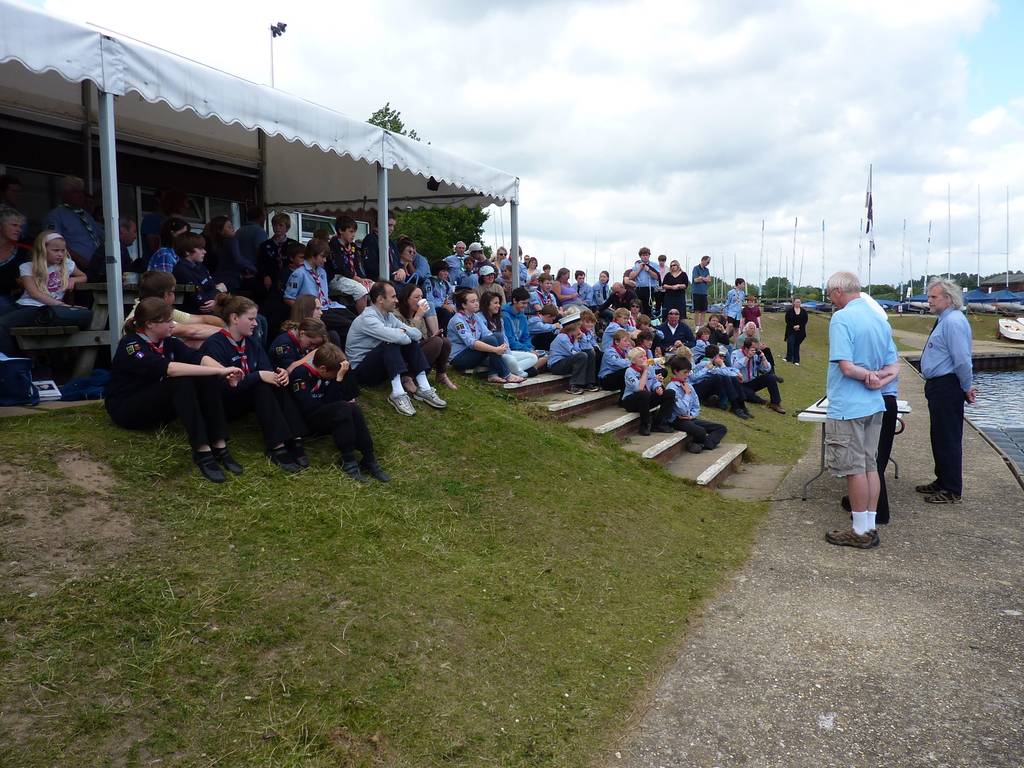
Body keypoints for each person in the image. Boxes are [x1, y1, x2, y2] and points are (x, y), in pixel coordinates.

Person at [105, 297, 244, 483]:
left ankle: (219, 445)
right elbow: (170, 369)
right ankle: (202, 450)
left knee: (205, 376)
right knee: (180, 380)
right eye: (168, 321)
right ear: (150, 324)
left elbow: (198, 358)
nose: (173, 325)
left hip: (156, 405)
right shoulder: (132, 345)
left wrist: (225, 372)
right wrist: (220, 370)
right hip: (127, 409)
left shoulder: (168, 342)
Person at [823, 271, 899, 549]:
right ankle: (869, 525)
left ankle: (858, 529)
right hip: (875, 404)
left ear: (838, 291)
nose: (831, 299)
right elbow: (894, 367)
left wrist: (865, 375)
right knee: (870, 466)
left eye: (830, 294)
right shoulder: (879, 319)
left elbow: (845, 366)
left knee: (854, 468)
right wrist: (878, 378)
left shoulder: (842, 318)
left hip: (849, 405)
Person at [200, 294, 307, 473]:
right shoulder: (214, 345)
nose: (256, 323)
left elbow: (265, 369)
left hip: (246, 395)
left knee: (275, 383)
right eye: (250, 319)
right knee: (260, 385)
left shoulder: (251, 342)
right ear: (234, 318)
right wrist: (257, 376)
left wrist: (278, 374)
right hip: (225, 403)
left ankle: (295, 439)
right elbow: (226, 387)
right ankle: (277, 446)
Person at [288, 343, 390, 483]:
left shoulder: (327, 374)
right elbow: (308, 406)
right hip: (307, 420)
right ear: (323, 368)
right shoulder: (301, 373)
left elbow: (336, 400)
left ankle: (368, 456)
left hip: (325, 413)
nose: (335, 377)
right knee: (342, 407)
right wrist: (338, 381)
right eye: (334, 374)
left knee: (352, 407)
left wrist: (338, 381)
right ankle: (348, 460)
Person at [345, 281, 447, 415]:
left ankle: (424, 387)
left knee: (408, 342)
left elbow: (416, 335)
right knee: (390, 342)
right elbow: (398, 338)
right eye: (393, 297)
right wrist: (402, 334)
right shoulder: (368, 318)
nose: (397, 300)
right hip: (362, 372)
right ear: (380, 299)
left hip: (381, 367)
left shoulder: (389, 316)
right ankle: (397, 393)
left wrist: (402, 332)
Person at [916, 277, 975, 504]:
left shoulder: (953, 322)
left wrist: (966, 386)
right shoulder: (945, 319)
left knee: (948, 437)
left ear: (949, 299)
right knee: (939, 436)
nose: (929, 301)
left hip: (947, 385)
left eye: (933, 297)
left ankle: (951, 488)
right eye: (929, 296)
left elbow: (962, 360)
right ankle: (942, 480)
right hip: (939, 386)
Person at [0, 232, 91, 355]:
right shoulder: (27, 267)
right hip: (27, 305)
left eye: (63, 250)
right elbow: (34, 293)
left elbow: (83, 276)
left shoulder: (67, 264)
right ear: (42, 250)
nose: (60, 254)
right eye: (55, 250)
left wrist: (74, 280)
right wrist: (61, 305)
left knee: (2, 325)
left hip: (43, 309)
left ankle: (12, 363)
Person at [123, 270, 225, 345]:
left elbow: (203, 319)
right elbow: (192, 331)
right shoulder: (148, 314)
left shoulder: (158, 309)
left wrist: (226, 326)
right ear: (167, 295)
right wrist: (230, 333)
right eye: (173, 291)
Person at [284, 239, 356, 342]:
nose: (325, 260)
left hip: (328, 306)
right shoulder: (299, 273)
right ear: (313, 255)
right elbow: (288, 298)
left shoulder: (322, 272)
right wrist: (306, 308)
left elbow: (324, 294)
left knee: (356, 320)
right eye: (322, 257)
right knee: (348, 325)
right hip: (314, 311)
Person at [447, 288, 521, 384]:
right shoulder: (458, 320)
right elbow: (471, 343)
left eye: (477, 300)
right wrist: (495, 349)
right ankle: (506, 374)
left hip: (473, 353)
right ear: (464, 305)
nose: (477, 303)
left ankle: (493, 374)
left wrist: (501, 345)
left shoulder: (475, 317)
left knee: (497, 336)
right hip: (459, 358)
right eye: (472, 301)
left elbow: (488, 334)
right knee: (492, 341)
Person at [395, 282, 457, 391]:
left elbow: (422, 338)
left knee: (444, 341)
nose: (420, 300)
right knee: (437, 342)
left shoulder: (418, 314)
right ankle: (408, 376)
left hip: (416, 352)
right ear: (406, 299)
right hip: (404, 355)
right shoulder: (396, 315)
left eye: (421, 297)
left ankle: (441, 374)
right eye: (416, 297)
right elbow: (405, 336)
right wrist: (418, 316)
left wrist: (432, 337)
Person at [665, 356, 727, 453]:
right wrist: (686, 394)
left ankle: (702, 444)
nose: (687, 375)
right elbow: (681, 410)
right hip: (678, 420)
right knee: (700, 431)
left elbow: (696, 406)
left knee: (721, 428)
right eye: (684, 372)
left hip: (689, 418)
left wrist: (691, 416)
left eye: (688, 372)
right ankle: (700, 443)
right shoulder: (672, 388)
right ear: (676, 371)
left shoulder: (689, 386)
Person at [44, 176, 104, 274]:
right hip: (74, 268)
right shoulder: (55, 215)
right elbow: (52, 243)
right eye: (76, 191)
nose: (81, 195)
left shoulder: (85, 215)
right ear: (64, 194)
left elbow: (102, 236)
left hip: (97, 267)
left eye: (81, 192)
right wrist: (79, 259)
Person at [480, 291, 537, 379]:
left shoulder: (498, 318)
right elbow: (485, 337)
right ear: (487, 304)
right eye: (495, 303)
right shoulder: (480, 317)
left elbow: (505, 338)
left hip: (504, 351)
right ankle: (522, 373)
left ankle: (514, 371)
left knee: (533, 357)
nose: (499, 306)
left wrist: (527, 349)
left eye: (499, 303)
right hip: (491, 353)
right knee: (511, 360)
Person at [620, 347, 676, 436]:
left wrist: (658, 387)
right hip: (631, 401)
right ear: (634, 361)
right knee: (643, 394)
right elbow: (639, 388)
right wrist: (645, 370)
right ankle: (645, 424)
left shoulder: (650, 368)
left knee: (670, 393)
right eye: (640, 357)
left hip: (646, 398)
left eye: (645, 356)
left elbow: (654, 381)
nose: (644, 358)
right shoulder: (629, 371)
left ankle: (659, 423)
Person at [690, 344, 753, 420]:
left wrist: (736, 372)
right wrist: (723, 365)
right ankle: (736, 406)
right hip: (696, 388)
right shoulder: (706, 364)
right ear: (716, 356)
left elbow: (728, 371)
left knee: (731, 378)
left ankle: (740, 405)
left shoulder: (709, 363)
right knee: (723, 377)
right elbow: (724, 372)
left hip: (704, 387)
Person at [172, 233, 226, 315]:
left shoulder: (199, 265)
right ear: (187, 252)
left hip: (206, 312)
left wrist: (215, 296)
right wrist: (219, 291)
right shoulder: (181, 271)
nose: (205, 252)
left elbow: (210, 285)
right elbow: (202, 301)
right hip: (192, 315)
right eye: (200, 249)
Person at [328, 215, 373, 313]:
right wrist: (357, 278)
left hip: (352, 277)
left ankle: (376, 318)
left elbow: (356, 265)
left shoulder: (353, 246)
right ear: (341, 231)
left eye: (354, 232)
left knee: (374, 287)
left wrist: (363, 278)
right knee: (360, 291)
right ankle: (364, 321)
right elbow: (339, 267)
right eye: (351, 231)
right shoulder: (333, 245)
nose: (353, 235)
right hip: (336, 278)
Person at [547, 310, 598, 394]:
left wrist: (580, 339)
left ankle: (589, 382)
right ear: (571, 328)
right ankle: (574, 385)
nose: (579, 330)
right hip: (556, 365)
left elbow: (587, 348)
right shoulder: (562, 337)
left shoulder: (572, 336)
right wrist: (576, 340)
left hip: (567, 361)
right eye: (578, 328)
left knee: (590, 353)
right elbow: (574, 352)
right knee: (582, 355)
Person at [730, 339, 785, 413]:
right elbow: (734, 367)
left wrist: (763, 358)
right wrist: (747, 357)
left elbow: (767, 369)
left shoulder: (756, 355)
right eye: (753, 349)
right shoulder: (736, 353)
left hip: (752, 381)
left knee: (770, 378)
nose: (755, 351)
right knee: (748, 395)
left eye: (756, 348)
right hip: (740, 383)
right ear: (746, 348)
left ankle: (775, 403)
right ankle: (762, 401)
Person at [502, 287, 548, 375]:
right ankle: (520, 371)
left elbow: (525, 337)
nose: (525, 306)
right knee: (534, 357)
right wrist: (527, 350)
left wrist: (529, 348)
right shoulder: (505, 316)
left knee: (545, 355)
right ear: (514, 300)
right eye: (523, 303)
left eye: (527, 303)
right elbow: (510, 341)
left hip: (522, 349)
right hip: (511, 350)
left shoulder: (522, 316)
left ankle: (522, 370)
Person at [206, 216, 255, 294]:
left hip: (216, 278)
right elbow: (238, 259)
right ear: (220, 230)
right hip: (230, 279)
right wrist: (253, 268)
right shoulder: (232, 241)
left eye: (232, 226)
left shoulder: (216, 243)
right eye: (229, 227)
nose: (233, 228)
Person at [140, 189, 188, 260]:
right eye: (185, 202)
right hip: (157, 266)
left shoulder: (181, 221)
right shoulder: (152, 219)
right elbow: (155, 248)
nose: (187, 206)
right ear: (177, 203)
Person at [0, 208, 30, 310]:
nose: (19, 230)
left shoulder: (26, 252)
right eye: (14, 225)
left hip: (16, 304)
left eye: (20, 226)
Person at [358, 214, 395, 281]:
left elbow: (397, 261)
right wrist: (392, 276)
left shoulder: (390, 242)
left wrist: (401, 270)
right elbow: (370, 266)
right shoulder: (370, 240)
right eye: (389, 225)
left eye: (393, 226)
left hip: (393, 279)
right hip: (378, 281)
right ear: (380, 223)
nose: (392, 229)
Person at [235, 206, 268, 277]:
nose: (265, 218)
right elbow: (262, 253)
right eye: (264, 215)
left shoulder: (239, 231)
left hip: (239, 270)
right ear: (261, 217)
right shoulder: (259, 231)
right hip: (254, 271)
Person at [424, 260, 456, 332]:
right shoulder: (429, 282)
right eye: (443, 271)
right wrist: (443, 305)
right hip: (435, 310)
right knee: (445, 313)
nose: (446, 274)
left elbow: (450, 299)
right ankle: (444, 334)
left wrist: (452, 306)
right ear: (437, 271)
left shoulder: (447, 284)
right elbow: (429, 300)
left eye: (447, 271)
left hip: (446, 307)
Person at [629, 246, 661, 315]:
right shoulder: (637, 265)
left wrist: (648, 270)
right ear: (640, 256)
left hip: (649, 290)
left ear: (649, 255)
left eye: (646, 255)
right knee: (638, 309)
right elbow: (631, 277)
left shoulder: (654, 265)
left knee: (648, 309)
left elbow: (657, 277)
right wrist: (639, 269)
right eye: (643, 255)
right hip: (639, 289)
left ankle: (647, 324)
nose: (645, 257)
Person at [784, 297, 809, 364]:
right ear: (794, 302)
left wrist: (799, 326)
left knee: (796, 345)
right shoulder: (790, 311)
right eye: (797, 302)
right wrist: (793, 326)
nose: (798, 303)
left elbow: (805, 320)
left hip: (800, 331)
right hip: (791, 330)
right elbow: (787, 320)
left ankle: (796, 360)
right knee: (790, 343)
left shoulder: (804, 312)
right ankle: (788, 358)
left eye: (799, 302)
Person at [691, 255, 712, 327]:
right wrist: (704, 278)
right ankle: (697, 326)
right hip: (696, 292)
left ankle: (701, 326)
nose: (708, 263)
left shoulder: (707, 270)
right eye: (708, 261)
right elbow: (696, 280)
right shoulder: (696, 268)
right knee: (697, 310)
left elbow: (709, 280)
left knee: (704, 310)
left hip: (704, 292)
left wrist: (701, 278)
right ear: (703, 260)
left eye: (709, 262)